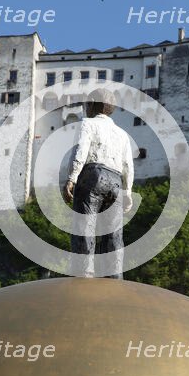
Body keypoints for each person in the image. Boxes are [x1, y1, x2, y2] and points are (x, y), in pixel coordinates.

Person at [63, 90, 134, 279]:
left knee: (84, 226)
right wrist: (127, 192)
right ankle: (114, 276)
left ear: (93, 105)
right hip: (116, 181)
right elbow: (127, 165)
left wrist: (72, 178)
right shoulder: (122, 134)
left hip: (92, 175)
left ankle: (83, 272)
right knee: (114, 233)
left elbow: (81, 150)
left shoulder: (87, 123)